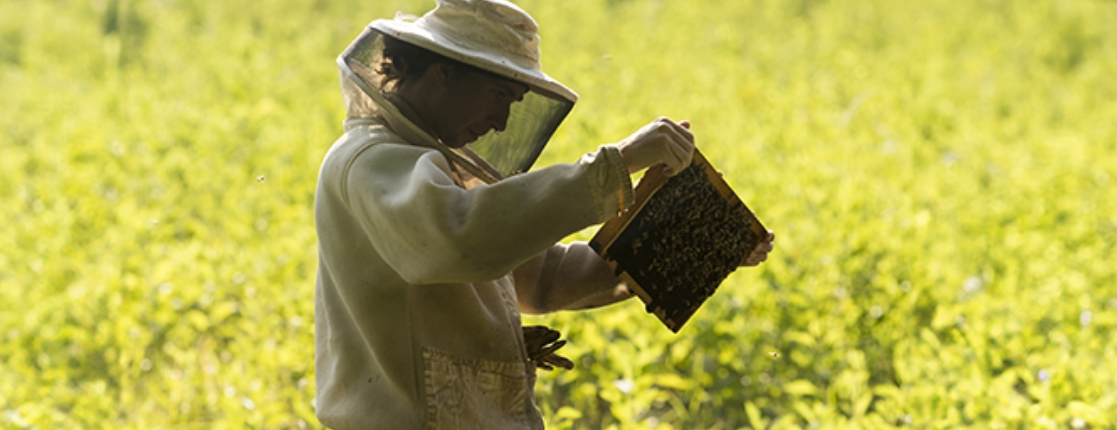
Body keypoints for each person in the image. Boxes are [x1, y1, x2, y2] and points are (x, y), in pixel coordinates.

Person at [312, 0, 772, 428]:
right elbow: (460, 240)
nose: (501, 122)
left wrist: (692, 244)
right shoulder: (369, 160)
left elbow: (545, 279)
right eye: (498, 96)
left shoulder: (436, 171)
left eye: (513, 104)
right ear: (443, 73)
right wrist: (616, 163)